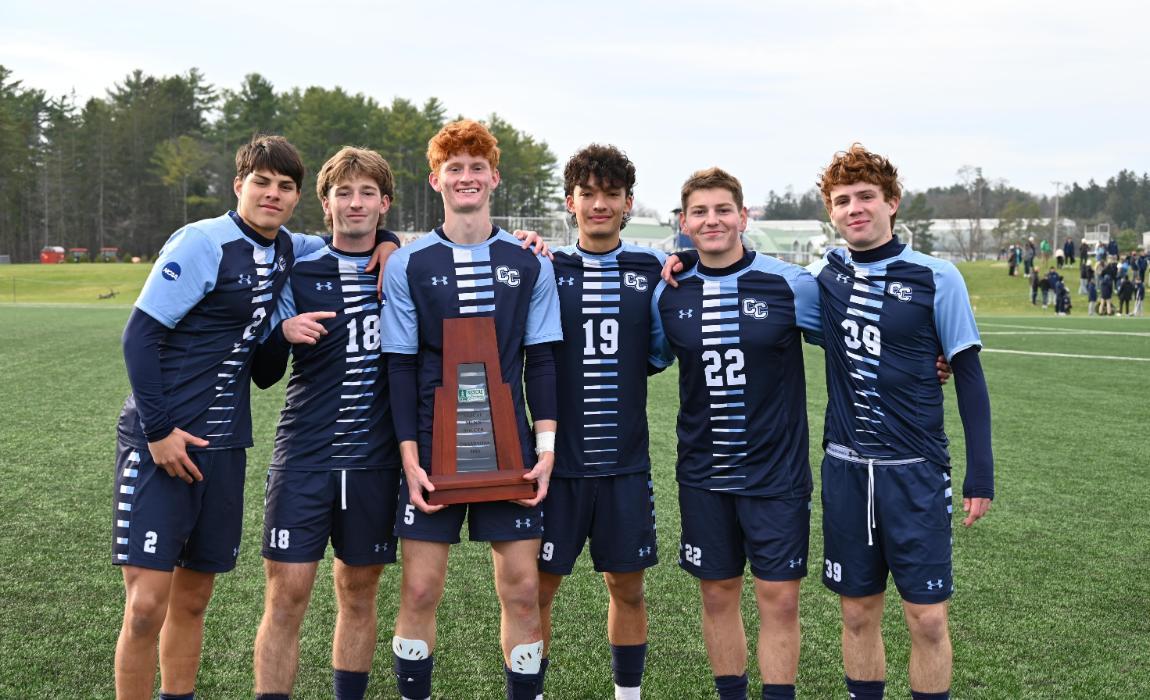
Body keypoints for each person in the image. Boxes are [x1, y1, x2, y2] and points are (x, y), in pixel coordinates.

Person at [113, 135, 330, 700]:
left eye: (285, 187)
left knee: (194, 598)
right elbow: (138, 337)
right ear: (239, 185)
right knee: (144, 607)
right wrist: (158, 432)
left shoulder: (289, 248)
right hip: (160, 439)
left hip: (224, 444)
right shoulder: (203, 240)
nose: (273, 194)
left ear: (296, 197)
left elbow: (263, 374)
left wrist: (383, 241)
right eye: (261, 182)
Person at [380, 119, 562, 700]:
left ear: (494, 179)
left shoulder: (530, 260)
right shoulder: (409, 263)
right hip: (434, 452)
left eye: (476, 167)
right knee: (420, 590)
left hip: (509, 451)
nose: (466, 177)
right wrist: (408, 457)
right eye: (454, 168)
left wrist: (546, 450)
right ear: (436, 180)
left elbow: (543, 362)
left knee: (520, 590)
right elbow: (401, 365)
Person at [809, 144, 994, 700]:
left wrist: (979, 473)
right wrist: (683, 262)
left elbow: (967, 374)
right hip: (845, 470)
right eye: (842, 201)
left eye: (866, 196)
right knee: (858, 615)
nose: (854, 208)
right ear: (832, 213)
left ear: (892, 203)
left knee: (928, 619)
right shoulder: (822, 275)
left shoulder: (938, 277)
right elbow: (746, 277)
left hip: (915, 472)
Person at [650, 167, 821, 700]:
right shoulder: (669, 293)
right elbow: (646, 358)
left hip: (777, 475)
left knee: (780, 599)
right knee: (718, 596)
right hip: (704, 474)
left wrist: (929, 360)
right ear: (684, 223)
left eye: (723, 209)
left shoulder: (791, 285)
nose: (712, 220)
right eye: (699, 212)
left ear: (743, 217)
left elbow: (853, 339)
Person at [250, 147, 402, 700]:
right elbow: (264, 373)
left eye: (367, 193)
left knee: (358, 593)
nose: (355, 203)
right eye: (344, 192)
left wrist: (395, 246)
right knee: (287, 595)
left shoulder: (404, 269)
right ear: (326, 201)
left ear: (384, 203)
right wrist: (279, 333)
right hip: (305, 455)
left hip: (375, 460)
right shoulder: (300, 268)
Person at [537, 144, 666, 699]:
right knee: (536, 592)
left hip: (624, 465)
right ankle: (530, 690)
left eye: (611, 194)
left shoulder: (654, 269)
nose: (599, 204)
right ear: (570, 202)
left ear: (628, 202)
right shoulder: (543, 266)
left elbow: (664, 349)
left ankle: (627, 695)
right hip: (555, 466)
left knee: (628, 588)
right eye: (587, 193)